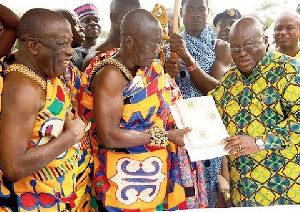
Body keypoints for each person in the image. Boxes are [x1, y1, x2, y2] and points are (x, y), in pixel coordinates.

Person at [79, 8, 192, 211]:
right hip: (119, 183)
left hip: (152, 178)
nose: (157, 50)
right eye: (151, 44)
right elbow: (109, 136)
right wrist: (166, 136)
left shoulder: (148, 69)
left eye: (160, 43)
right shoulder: (111, 75)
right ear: (129, 42)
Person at [0, 8, 85, 211]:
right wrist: (71, 136)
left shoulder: (36, 73)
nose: (71, 50)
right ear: (33, 45)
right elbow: (14, 167)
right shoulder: (24, 89)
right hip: (29, 202)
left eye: (70, 43)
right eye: (62, 43)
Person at [210, 17, 300, 207]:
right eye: (234, 48)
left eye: (249, 45)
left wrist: (260, 142)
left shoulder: (290, 71)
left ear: (265, 41)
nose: (241, 53)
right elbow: (209, 113)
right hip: (244, 194)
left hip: (286, 192)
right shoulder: (229, 81)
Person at [165, 0, 231, 208]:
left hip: (208, 129)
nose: (195, 14)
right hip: (179, 130)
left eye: (200, 9)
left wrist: (186, 56)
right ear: (181, 13)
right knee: (183, 191)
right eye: (189, 9)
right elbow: (160, 93)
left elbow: (215, 90)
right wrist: (167, 74)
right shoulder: (167, 49)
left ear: (207, 12)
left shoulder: (220, 47)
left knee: (210, 191)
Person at [54, 9, 93, 211]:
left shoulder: (71, 68)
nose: (81, 29)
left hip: (79, 164)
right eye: (77, 24)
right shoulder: (31, 70)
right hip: (53, 170)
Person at [81, 0, 141, 72]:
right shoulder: (97, 58)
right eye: (131, 17)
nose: (137, 22)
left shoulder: (141, 54)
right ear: (114, 18)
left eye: (139, 17)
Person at [74, 3, 101, 70]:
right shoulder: (72, 55)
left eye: (96, 20)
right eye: (86, 21)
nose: (93, 23)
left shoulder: (106, 50)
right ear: (77, 26)